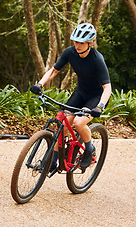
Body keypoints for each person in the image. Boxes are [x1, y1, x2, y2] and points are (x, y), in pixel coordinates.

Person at [30, 23, 112, 170]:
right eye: (75, 42)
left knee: (79, 123)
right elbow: (54, 71)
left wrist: (100, 106)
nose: (77, 45)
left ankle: (89, 149)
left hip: (96, 96)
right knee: (62, 121)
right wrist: (40, 84)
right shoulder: (70, 53)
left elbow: (107, 88)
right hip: (80, 92)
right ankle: (54, 162)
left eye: (81, 42)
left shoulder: (97, 59)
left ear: (90, 42)